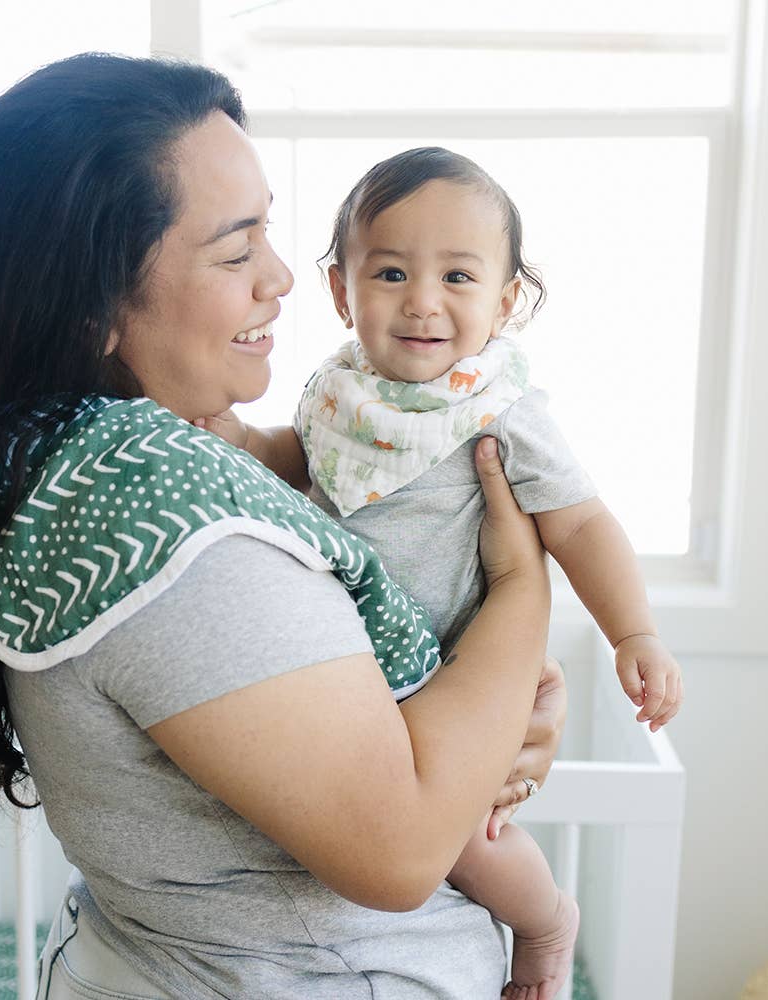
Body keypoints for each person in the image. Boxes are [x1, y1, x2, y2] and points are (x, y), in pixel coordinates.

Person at [0, 54, 567, 999]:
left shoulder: (89, 465)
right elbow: (398, 850)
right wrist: (521, 591)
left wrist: (487, 702)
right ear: (93, 306)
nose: (281, 279)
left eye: (268, 231)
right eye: (235, 253)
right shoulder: (162, 518)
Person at [198, 146, 686, 997]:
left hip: (450, 669)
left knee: (463, 835)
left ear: (504, 303)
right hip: (352, 664)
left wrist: (633, 632)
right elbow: (305, 463)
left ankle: (543, 922)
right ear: (341, 291)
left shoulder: (499, 411)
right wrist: (244, 444)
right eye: (390, 272)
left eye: (458, 277)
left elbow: (581, 524)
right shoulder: (337, 392)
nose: (423, 301)